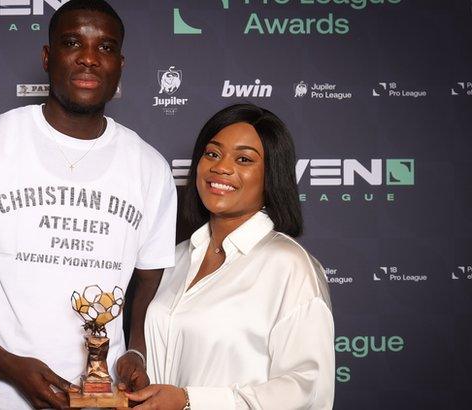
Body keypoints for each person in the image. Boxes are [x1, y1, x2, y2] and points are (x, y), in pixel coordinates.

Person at [0, 1, 176, 409]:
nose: (89, 58)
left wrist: (135, 354)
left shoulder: (151, 168)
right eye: (73, 42)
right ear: (48, 56)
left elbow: (146, 292)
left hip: (97, 401)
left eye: (104, 48)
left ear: (120, 64)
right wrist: (8, 366)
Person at [125, 104, 335, 409]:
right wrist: (137, 363)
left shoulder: (290, 266)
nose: (221, 168)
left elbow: (307, 390)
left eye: (244, 159)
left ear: (271, 175)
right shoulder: (177, 258)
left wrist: (189, 401)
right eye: (212, 154)